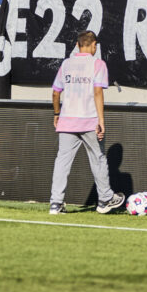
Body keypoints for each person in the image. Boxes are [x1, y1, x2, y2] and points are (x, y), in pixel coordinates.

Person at [49, 31, 126, 216]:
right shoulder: (97, 64)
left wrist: (57, 113)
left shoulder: (66, 64)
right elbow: (98, 92)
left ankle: (56, 204)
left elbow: (55, 92)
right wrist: (101, 120)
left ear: (77, 45)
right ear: (94, 46)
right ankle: (105, 200)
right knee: (98, 159)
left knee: (62, 162)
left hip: (67, 120)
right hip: (89, 120)